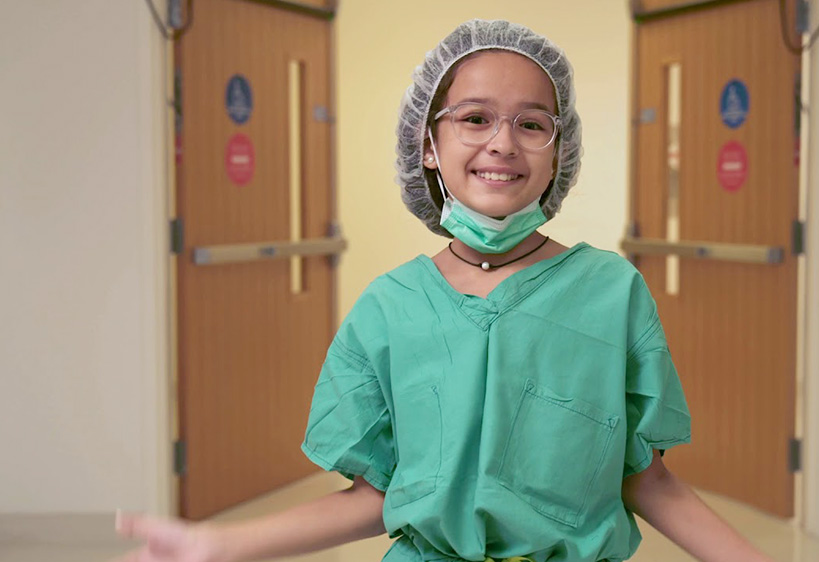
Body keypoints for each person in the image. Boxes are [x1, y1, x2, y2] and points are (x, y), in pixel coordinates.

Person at [116, 19, 773, 562]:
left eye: (532, 124)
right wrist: (212, 544)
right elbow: (377, 496)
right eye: (475, 118)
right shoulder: (389, 308)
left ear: (556, 151)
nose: (503, 143)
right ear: (428, 145)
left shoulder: (611, 293)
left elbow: (649, 480)